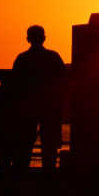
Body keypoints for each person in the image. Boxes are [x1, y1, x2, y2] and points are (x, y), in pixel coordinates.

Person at [11, 25, 65, 172]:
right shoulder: (53, 57)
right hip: (50, 106)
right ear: (44, 38)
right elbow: (63, 79)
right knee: (50, 144)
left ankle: (22, 174)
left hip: (28, 107)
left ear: (28, 39)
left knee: (25, 143)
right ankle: (49, 174)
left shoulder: (22, 59)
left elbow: (15, 83)